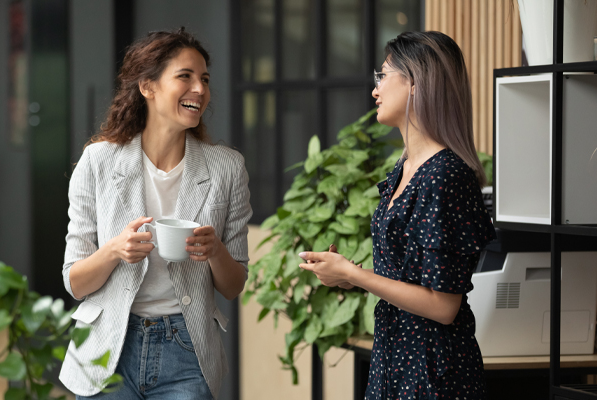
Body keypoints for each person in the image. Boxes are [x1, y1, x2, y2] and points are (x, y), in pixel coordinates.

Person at [299, 31, 496, 399]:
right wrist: (348, 276)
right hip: (395, 358)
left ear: (416, 83)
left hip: (434, 371)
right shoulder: (404, 169)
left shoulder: (445, 175)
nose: (375, 89)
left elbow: (443, 306)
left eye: (384, 76)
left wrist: (354, 274)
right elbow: (409, 280)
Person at [58, 28, 252, 400]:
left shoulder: (227, 168)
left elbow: (233, 285)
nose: (200, 89)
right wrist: (115, 250)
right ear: (147, 86)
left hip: (187, 351)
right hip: (107, 349)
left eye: (205, 79)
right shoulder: (98, 161)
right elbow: (75, 282)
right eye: (185, 76)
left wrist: (215, 251)